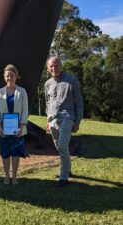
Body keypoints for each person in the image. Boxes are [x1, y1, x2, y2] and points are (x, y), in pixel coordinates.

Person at [45, 56, 83, 187]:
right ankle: (68, 169)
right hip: (53, 119)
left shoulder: (72, 80)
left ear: (61, 66)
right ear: (48, 68)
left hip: (67, 118)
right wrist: (48, 120)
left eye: (56, 65)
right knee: (60, 147)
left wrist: (77, 121)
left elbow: (78, 103)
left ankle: (64, 176)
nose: (54, 68)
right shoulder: (47, 84)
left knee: (62, 146)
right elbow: (48, 102)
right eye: (51, 66)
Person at [0, 64, 28, 185]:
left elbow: (25, 109)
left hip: (18, 129)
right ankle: (6, 175)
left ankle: (14, 176)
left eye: (12, 75)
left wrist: (22, 126)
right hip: (3, 129)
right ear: (4, 77)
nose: (10, 78)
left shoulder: (22, 91)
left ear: (16, 76)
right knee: (5, 153)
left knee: (15, 152)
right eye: (7, 76)